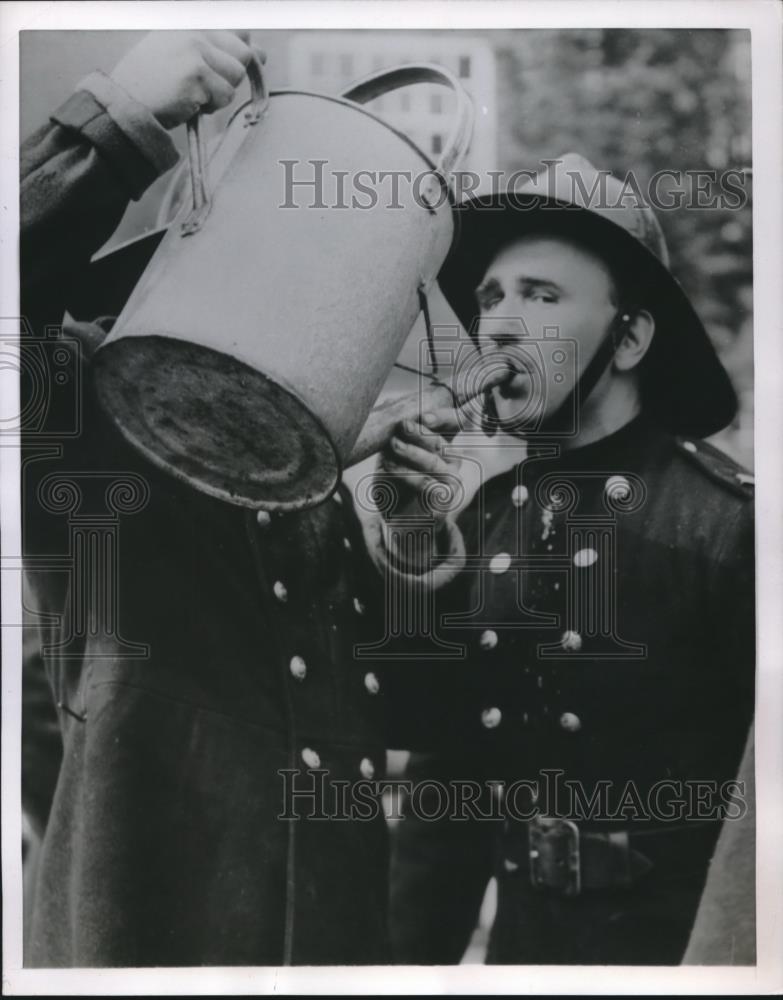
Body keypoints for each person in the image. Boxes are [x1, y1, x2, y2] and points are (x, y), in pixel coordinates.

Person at [21, 30, 391, 966]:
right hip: (145, 933)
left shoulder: (310, 478)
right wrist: (115, 124)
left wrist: (416, 545)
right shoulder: (78, 395)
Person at [370, 155, 756, 964]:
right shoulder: (476, 522)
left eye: (542, 297)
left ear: (630, 338)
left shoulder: (728, 528)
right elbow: (437, 786)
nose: (501, 323)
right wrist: (409, 543)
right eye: (490, 298)